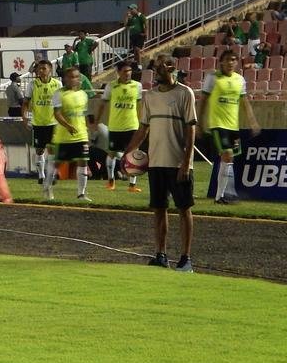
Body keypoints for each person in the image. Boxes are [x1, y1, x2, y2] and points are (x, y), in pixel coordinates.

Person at [125, 56, 197, 272]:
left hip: (178, 162)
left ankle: (185, 259)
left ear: (172, 68)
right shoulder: (150, 96)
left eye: (161, 66)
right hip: (155, 161)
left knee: (184, 209)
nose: (156, 70)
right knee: (159, 209)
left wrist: (186, 161)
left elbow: (191, 129)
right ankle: (161, 254)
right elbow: (143, 128)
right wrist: (128, 152)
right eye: (155, 67)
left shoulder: (185, 93)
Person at [197, 50, 261, 204]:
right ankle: (221, 196)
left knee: (228, 160)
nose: (231, 62)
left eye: (233, 60)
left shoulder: (240, 80)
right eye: (227, 59)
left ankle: (222, 195)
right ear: (221, 62)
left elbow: (244, 102)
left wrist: (252, 121)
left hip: (233, 126)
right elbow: (203, 101)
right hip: (217, 124)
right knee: (227, 155)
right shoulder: (213, 78)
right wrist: (199, 123)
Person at [94, 61, 143, 192]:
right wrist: (96, 121)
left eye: (129, 71)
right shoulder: (111, 86)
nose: (128, 74)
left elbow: (139, 106)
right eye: (125, 71)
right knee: (111, 153)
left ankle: (132, 186)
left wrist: (141, 123)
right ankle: (111, 182)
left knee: (133, 155)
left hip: (132, 126)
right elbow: (102, 104)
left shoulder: (137, 86)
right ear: (119, 72)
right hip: (115, 126)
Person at [51, 66, 92, 202]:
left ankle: (81, 194)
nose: (73, 79)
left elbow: (83, 114)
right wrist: (68, 126)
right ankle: (47, 186)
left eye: (76, 77)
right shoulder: (59, 94)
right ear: (65, 79)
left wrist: (86, 129)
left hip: (81, 135)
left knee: (83, 161)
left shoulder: (83, 95)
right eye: (71, 77)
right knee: (57, 163)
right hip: (64, 136)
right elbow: (57, 114)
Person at [22, 60, 60, 190]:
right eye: (39, 69)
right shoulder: (32, 85)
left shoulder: (57, 84)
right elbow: (26, 102)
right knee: (39, 150)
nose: (41, 71)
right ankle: (41, 175)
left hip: (53, 122)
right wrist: (25, 117)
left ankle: (51, 174)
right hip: (38, 123)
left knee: (52, 150)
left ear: (50, 70)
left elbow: (61, 104)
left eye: (44, 68)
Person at [125, 4, 147, 71]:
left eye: (132, 9)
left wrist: (145, 33)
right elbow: (126, 26)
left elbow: (145, 24)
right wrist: (126, 17)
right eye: (130, 9)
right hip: (133, 35)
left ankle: (140, 65)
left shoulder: (140, 16)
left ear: (135, 9)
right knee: (135, 50)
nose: (130, 11)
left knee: (137, 49)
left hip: (139, 35)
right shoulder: (131, 17)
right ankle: (136, 64)